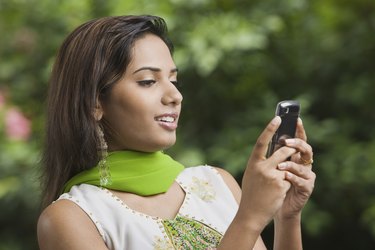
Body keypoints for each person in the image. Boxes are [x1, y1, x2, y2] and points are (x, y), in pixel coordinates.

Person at [37, 15, 315, 250]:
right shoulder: (71, 218)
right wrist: (250, 218)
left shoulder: (217, 183)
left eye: (173, 80)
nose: (175, 95)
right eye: (147, 81)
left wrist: (286, 218)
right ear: (95, 101)